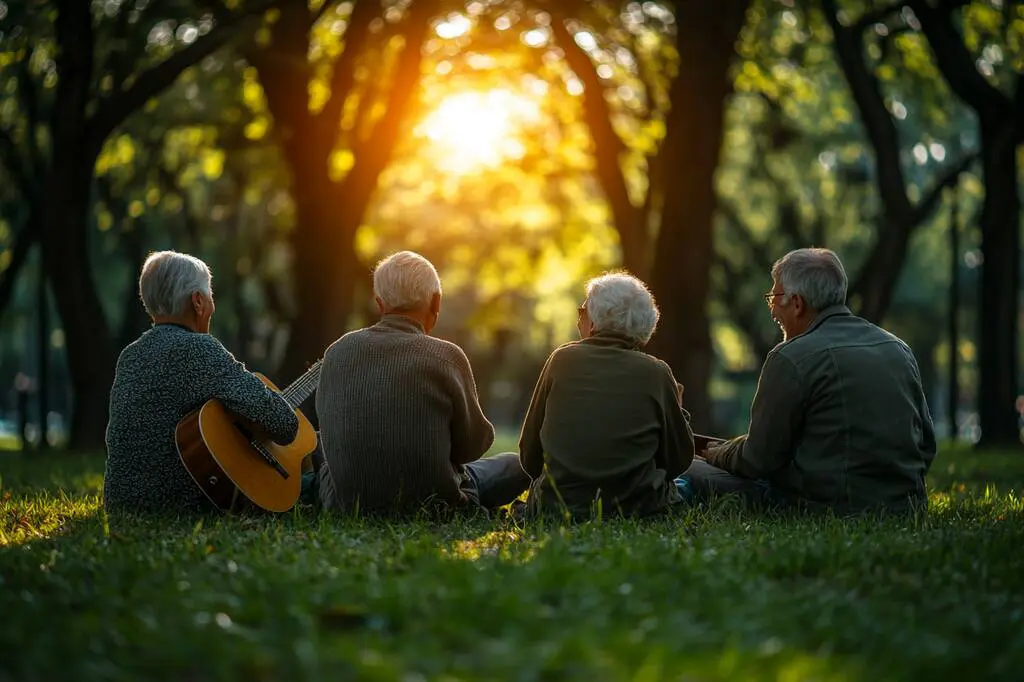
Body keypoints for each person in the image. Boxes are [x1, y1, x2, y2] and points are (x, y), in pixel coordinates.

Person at [689, 247, 937, 514]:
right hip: (906, 506)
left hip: (824, 507)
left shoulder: (790, 358)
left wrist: (713, 453)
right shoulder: (899, 349)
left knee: (689, 465)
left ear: (797, 304)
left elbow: (757, 461)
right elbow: (926, 445)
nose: (772, 309)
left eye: (774, 297)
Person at [315, 250, 530, 516]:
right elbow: (474, 445)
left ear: (379, 303)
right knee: (517, 466)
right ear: (436, 302)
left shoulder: (337, 351)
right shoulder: (446, 356)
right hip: (435, 504)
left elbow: (327, 432)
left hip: (346, 505)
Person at [104, 251, 299, 514]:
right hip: (177, 508)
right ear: (198, 301)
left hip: (122, 507)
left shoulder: (130, 355)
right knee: (311, 481)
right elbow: (284, 424)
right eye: (210, 296)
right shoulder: (198, 349)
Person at [519, 272, 695, 521]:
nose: (578, 319)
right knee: (687, 485)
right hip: (637, 509)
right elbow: (678, 461)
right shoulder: (657, 372)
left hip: (558, 508)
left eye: (582, 311)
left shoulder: (561, 360)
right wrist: (679, 410)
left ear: (592, 322)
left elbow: (529, 455)